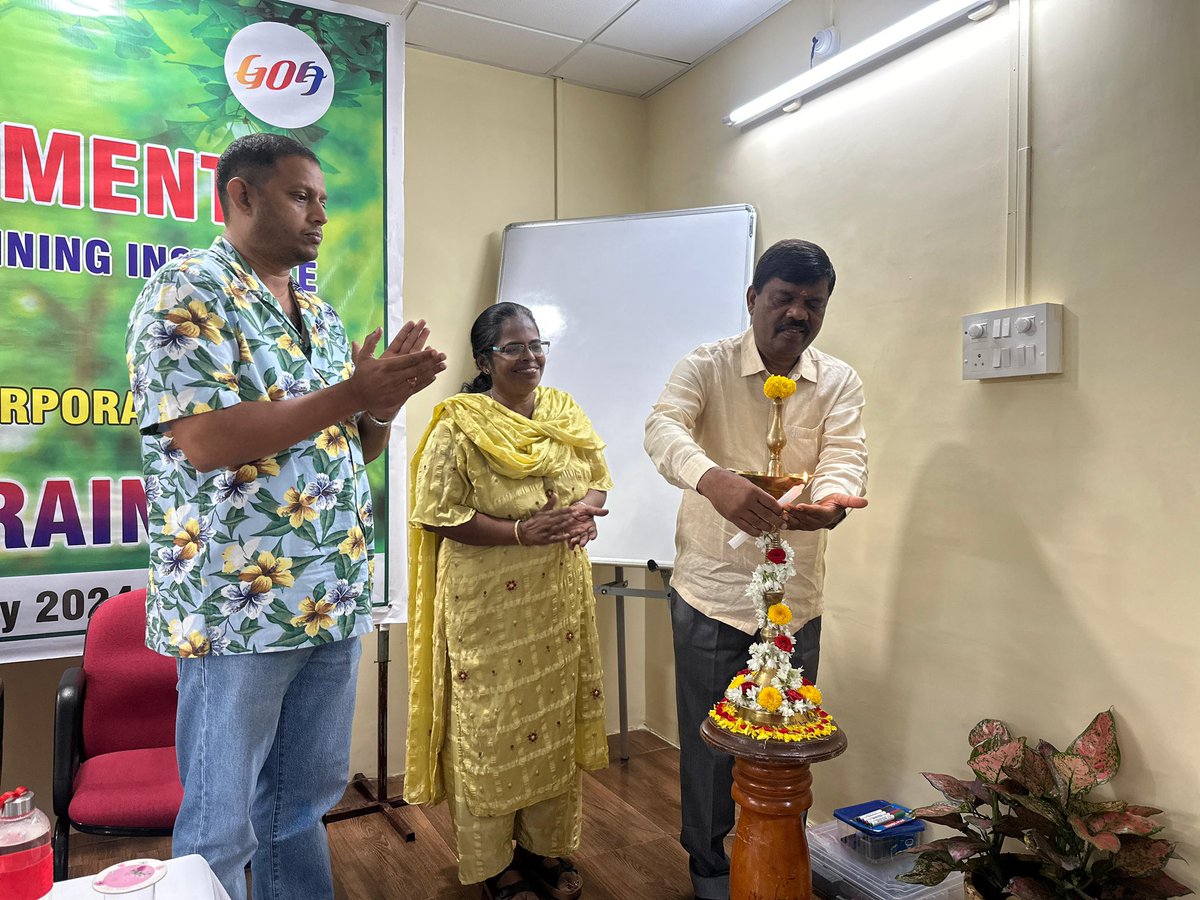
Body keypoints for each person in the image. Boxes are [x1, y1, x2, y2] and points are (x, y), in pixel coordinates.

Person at [125, 133, 446, 900]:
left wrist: (382, 406)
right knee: (221, 821)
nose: (320, 218)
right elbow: (207, 440)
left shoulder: (322, 316)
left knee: (302, 806)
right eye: (302, 197)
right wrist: (351, 394)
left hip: (327, 598)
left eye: (325, 202)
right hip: (238, 608)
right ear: (240, 195)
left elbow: (346, 449)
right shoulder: (186, 290)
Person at [644, 238, 868, 900]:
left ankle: (779, 864)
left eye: (813, 303)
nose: (798, 314)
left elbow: (845, 455)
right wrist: (713, 480)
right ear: (752, 300)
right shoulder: (706, 365)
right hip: (711, 593)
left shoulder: (839, 380)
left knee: (786, 747)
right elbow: (662, 429)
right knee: (713, 748)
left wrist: (830, 505)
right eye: (784, 298)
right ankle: (712, 873)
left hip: (794, 601)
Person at [405, 302, 612, 900]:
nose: (530, 357)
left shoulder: (563, 413)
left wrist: (583, 512)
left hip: (557, 600)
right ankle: (495, 866)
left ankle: (544, 850)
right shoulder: (459, 426)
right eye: (514, 348)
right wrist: (521, 532)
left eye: (537, 344)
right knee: (490, 730)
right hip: (487, 604)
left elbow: (598, 475)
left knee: (550, 724)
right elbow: (440, 515)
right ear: (484, 359)